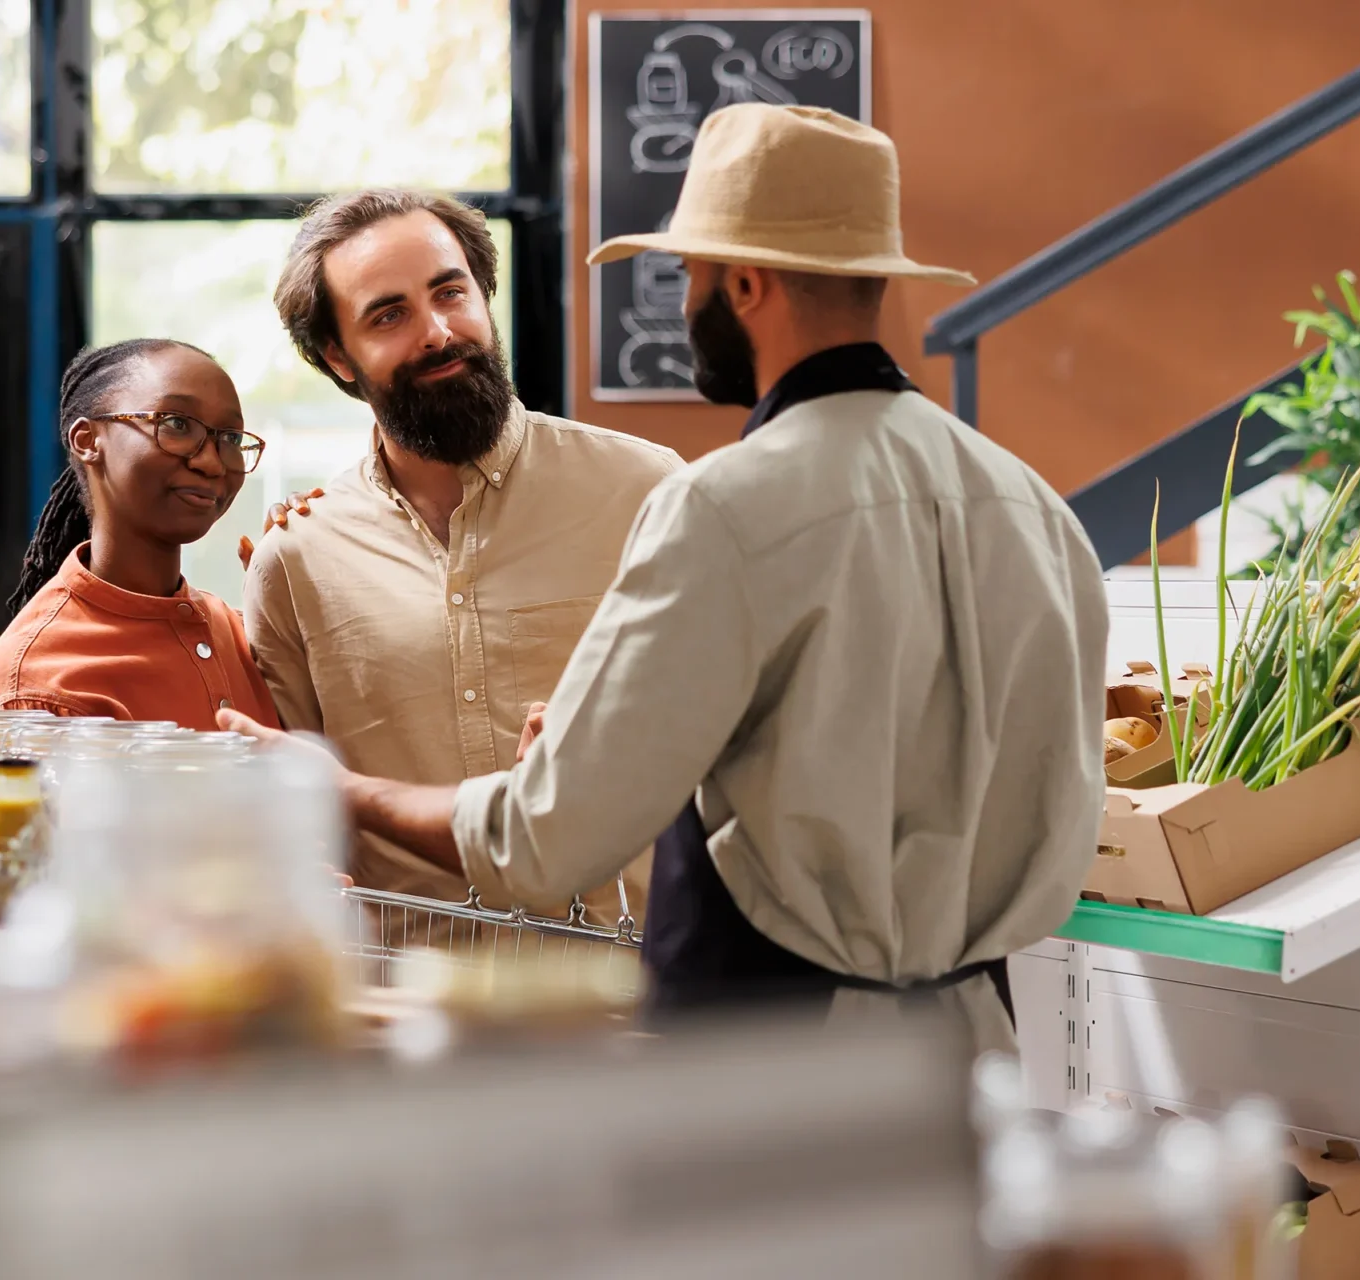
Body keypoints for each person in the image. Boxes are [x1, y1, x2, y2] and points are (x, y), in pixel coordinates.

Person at [222, 105, 1109, 1051]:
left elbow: (545, 836)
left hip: (768, 1044)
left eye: (689, 275)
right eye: (389, 312)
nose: (683, 303)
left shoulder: (713, 505)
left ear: (744, 284)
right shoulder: (1036, 510)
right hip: (976, 1038)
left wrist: (340, 786)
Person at [239, 189, 682, 922]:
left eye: (451, 293)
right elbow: (298, 808)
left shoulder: (648, 491)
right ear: (337, 358)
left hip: (624, 979)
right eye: (389, 315)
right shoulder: (297, 559)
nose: (438, 333)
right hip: (403, 985)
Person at [0, 338, 281, 729]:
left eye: (231, 438)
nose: (212, 463)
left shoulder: (243, 635)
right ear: (87, 441)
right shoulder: (36, 689)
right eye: (176, 423)